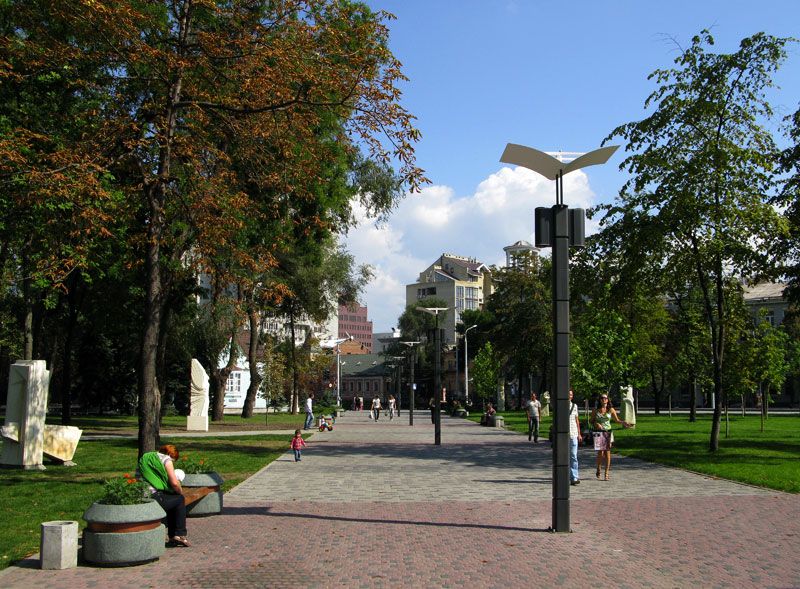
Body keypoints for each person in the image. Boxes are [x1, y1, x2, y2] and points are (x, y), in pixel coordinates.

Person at [137, 444, 190, 547]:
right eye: (173, 460)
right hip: (153, 496)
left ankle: (173, 536)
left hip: (141, 494)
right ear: (170, 454)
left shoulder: (146, 457)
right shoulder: (166, 459)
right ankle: (179, 534)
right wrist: (180, 490)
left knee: (172, 499)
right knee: (179, 499)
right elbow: (174, 483)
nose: (172, 462)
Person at [590, 394, 629, 480]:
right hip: (598, 432)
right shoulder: (595, 410)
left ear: (608, 400)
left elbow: (617, 420)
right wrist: (596, 424)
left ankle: (606, 473)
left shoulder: (611, 410)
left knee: (607, 452)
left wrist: (623, 422)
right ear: (600, 400)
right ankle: (598, 468)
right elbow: (591, 421)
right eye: (602, 398)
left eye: (605, 398)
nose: (604, 399)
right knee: (600, 452)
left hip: (608, 432)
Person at [568, 390, 581, 485]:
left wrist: (579, 434)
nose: (570, 396)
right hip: (564, 435)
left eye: (571, 394)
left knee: (573, 456)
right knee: (563, 457)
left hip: (573, 434)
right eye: (568, 394)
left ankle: (574, 477)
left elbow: (577, 420)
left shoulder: (574, 406)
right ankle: (565, 476)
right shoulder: (560, 405)